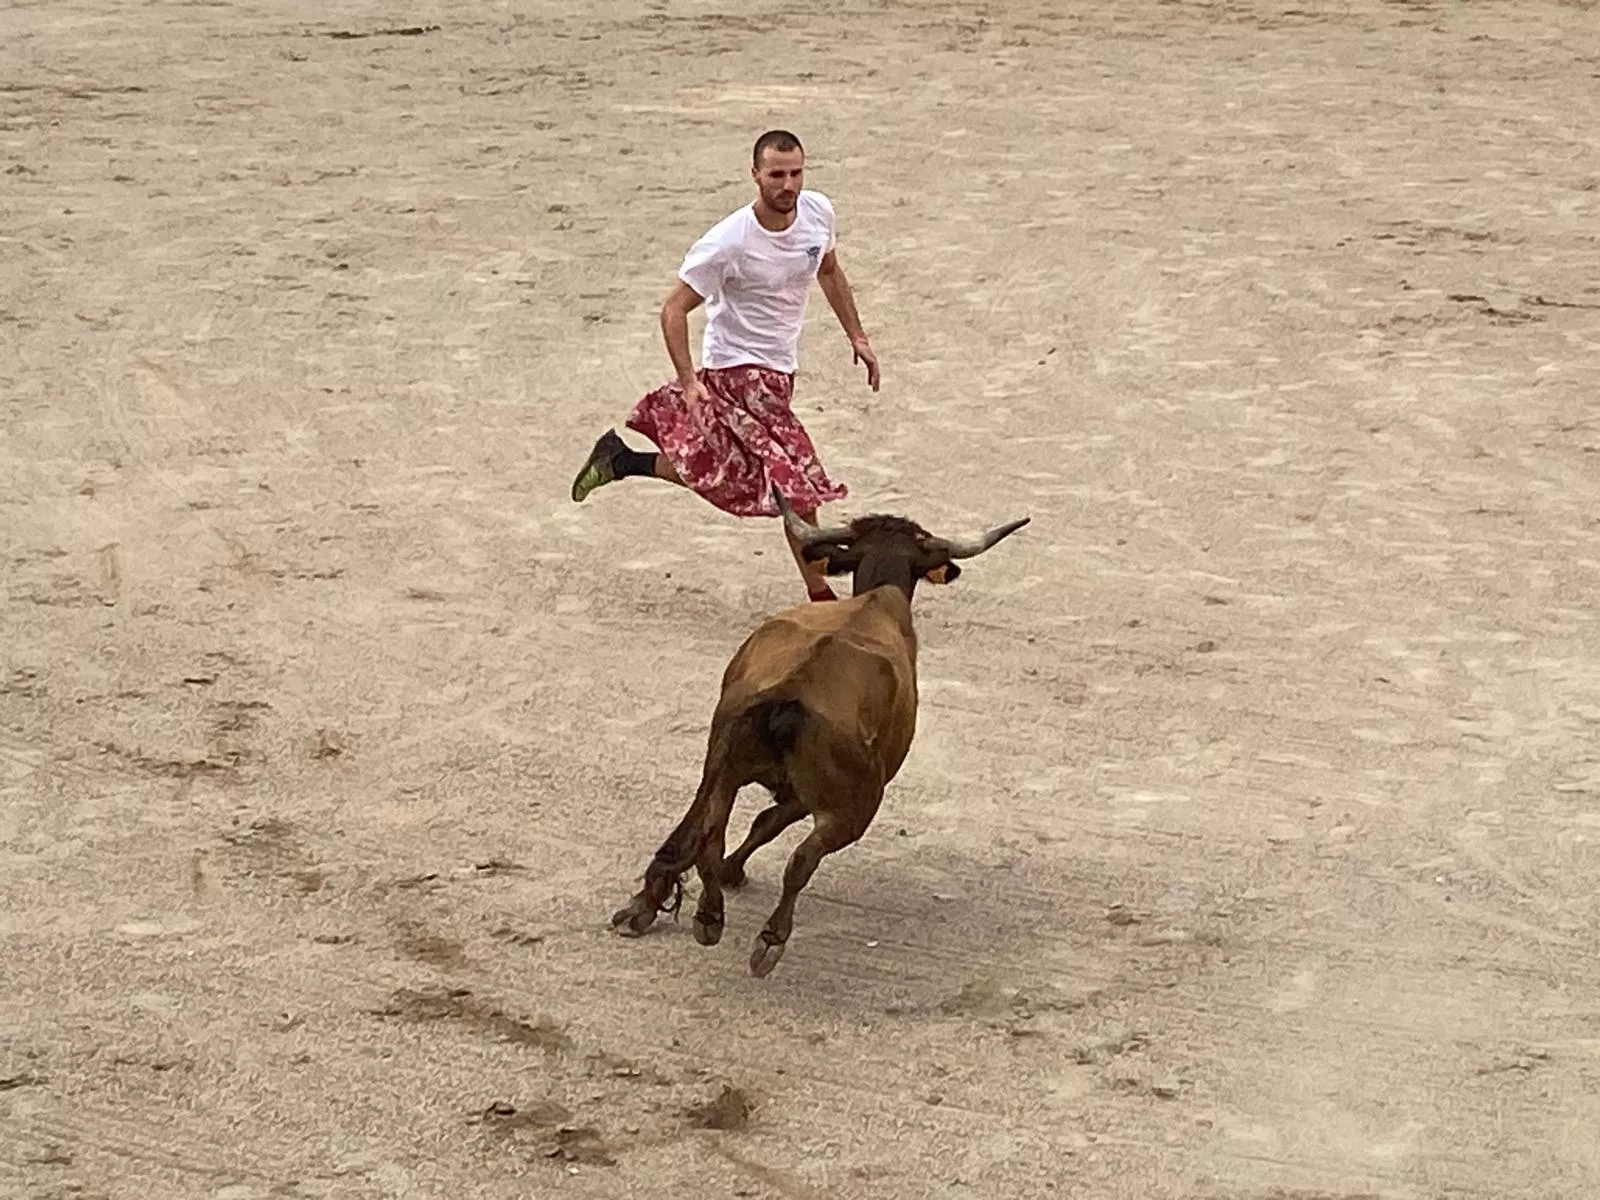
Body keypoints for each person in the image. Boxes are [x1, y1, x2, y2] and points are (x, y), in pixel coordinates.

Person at [569, 128, 880, 602]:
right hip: (737, 371)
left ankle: (622, 460)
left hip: (779, 373)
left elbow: (830, 272)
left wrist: (856, 335)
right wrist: (690, 383)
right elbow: (673, 310)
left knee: (733, 476)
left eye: (796, 173)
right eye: (777, 174)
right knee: (796, 487)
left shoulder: (818, 213)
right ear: (755, 175)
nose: (788, 185)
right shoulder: (728, 242)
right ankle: (822, 599)